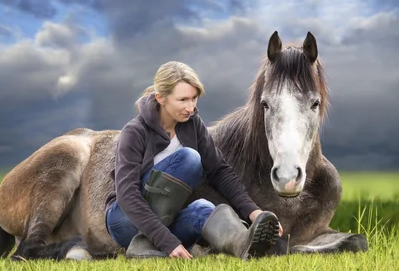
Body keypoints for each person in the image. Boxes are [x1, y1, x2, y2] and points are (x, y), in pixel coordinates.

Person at [104, 61, 283, 260]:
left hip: (167, 222)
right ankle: (147, 243)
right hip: (126, 220)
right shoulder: (134, 132)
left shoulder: (193, 124)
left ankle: (243, 245)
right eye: (182, 100)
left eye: (194, 98)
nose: (190, 108)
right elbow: (127, 194)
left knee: (203, 209)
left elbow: (219, 171)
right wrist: (168, 241)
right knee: (189, 158)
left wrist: (253, 211)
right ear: (160, 98)